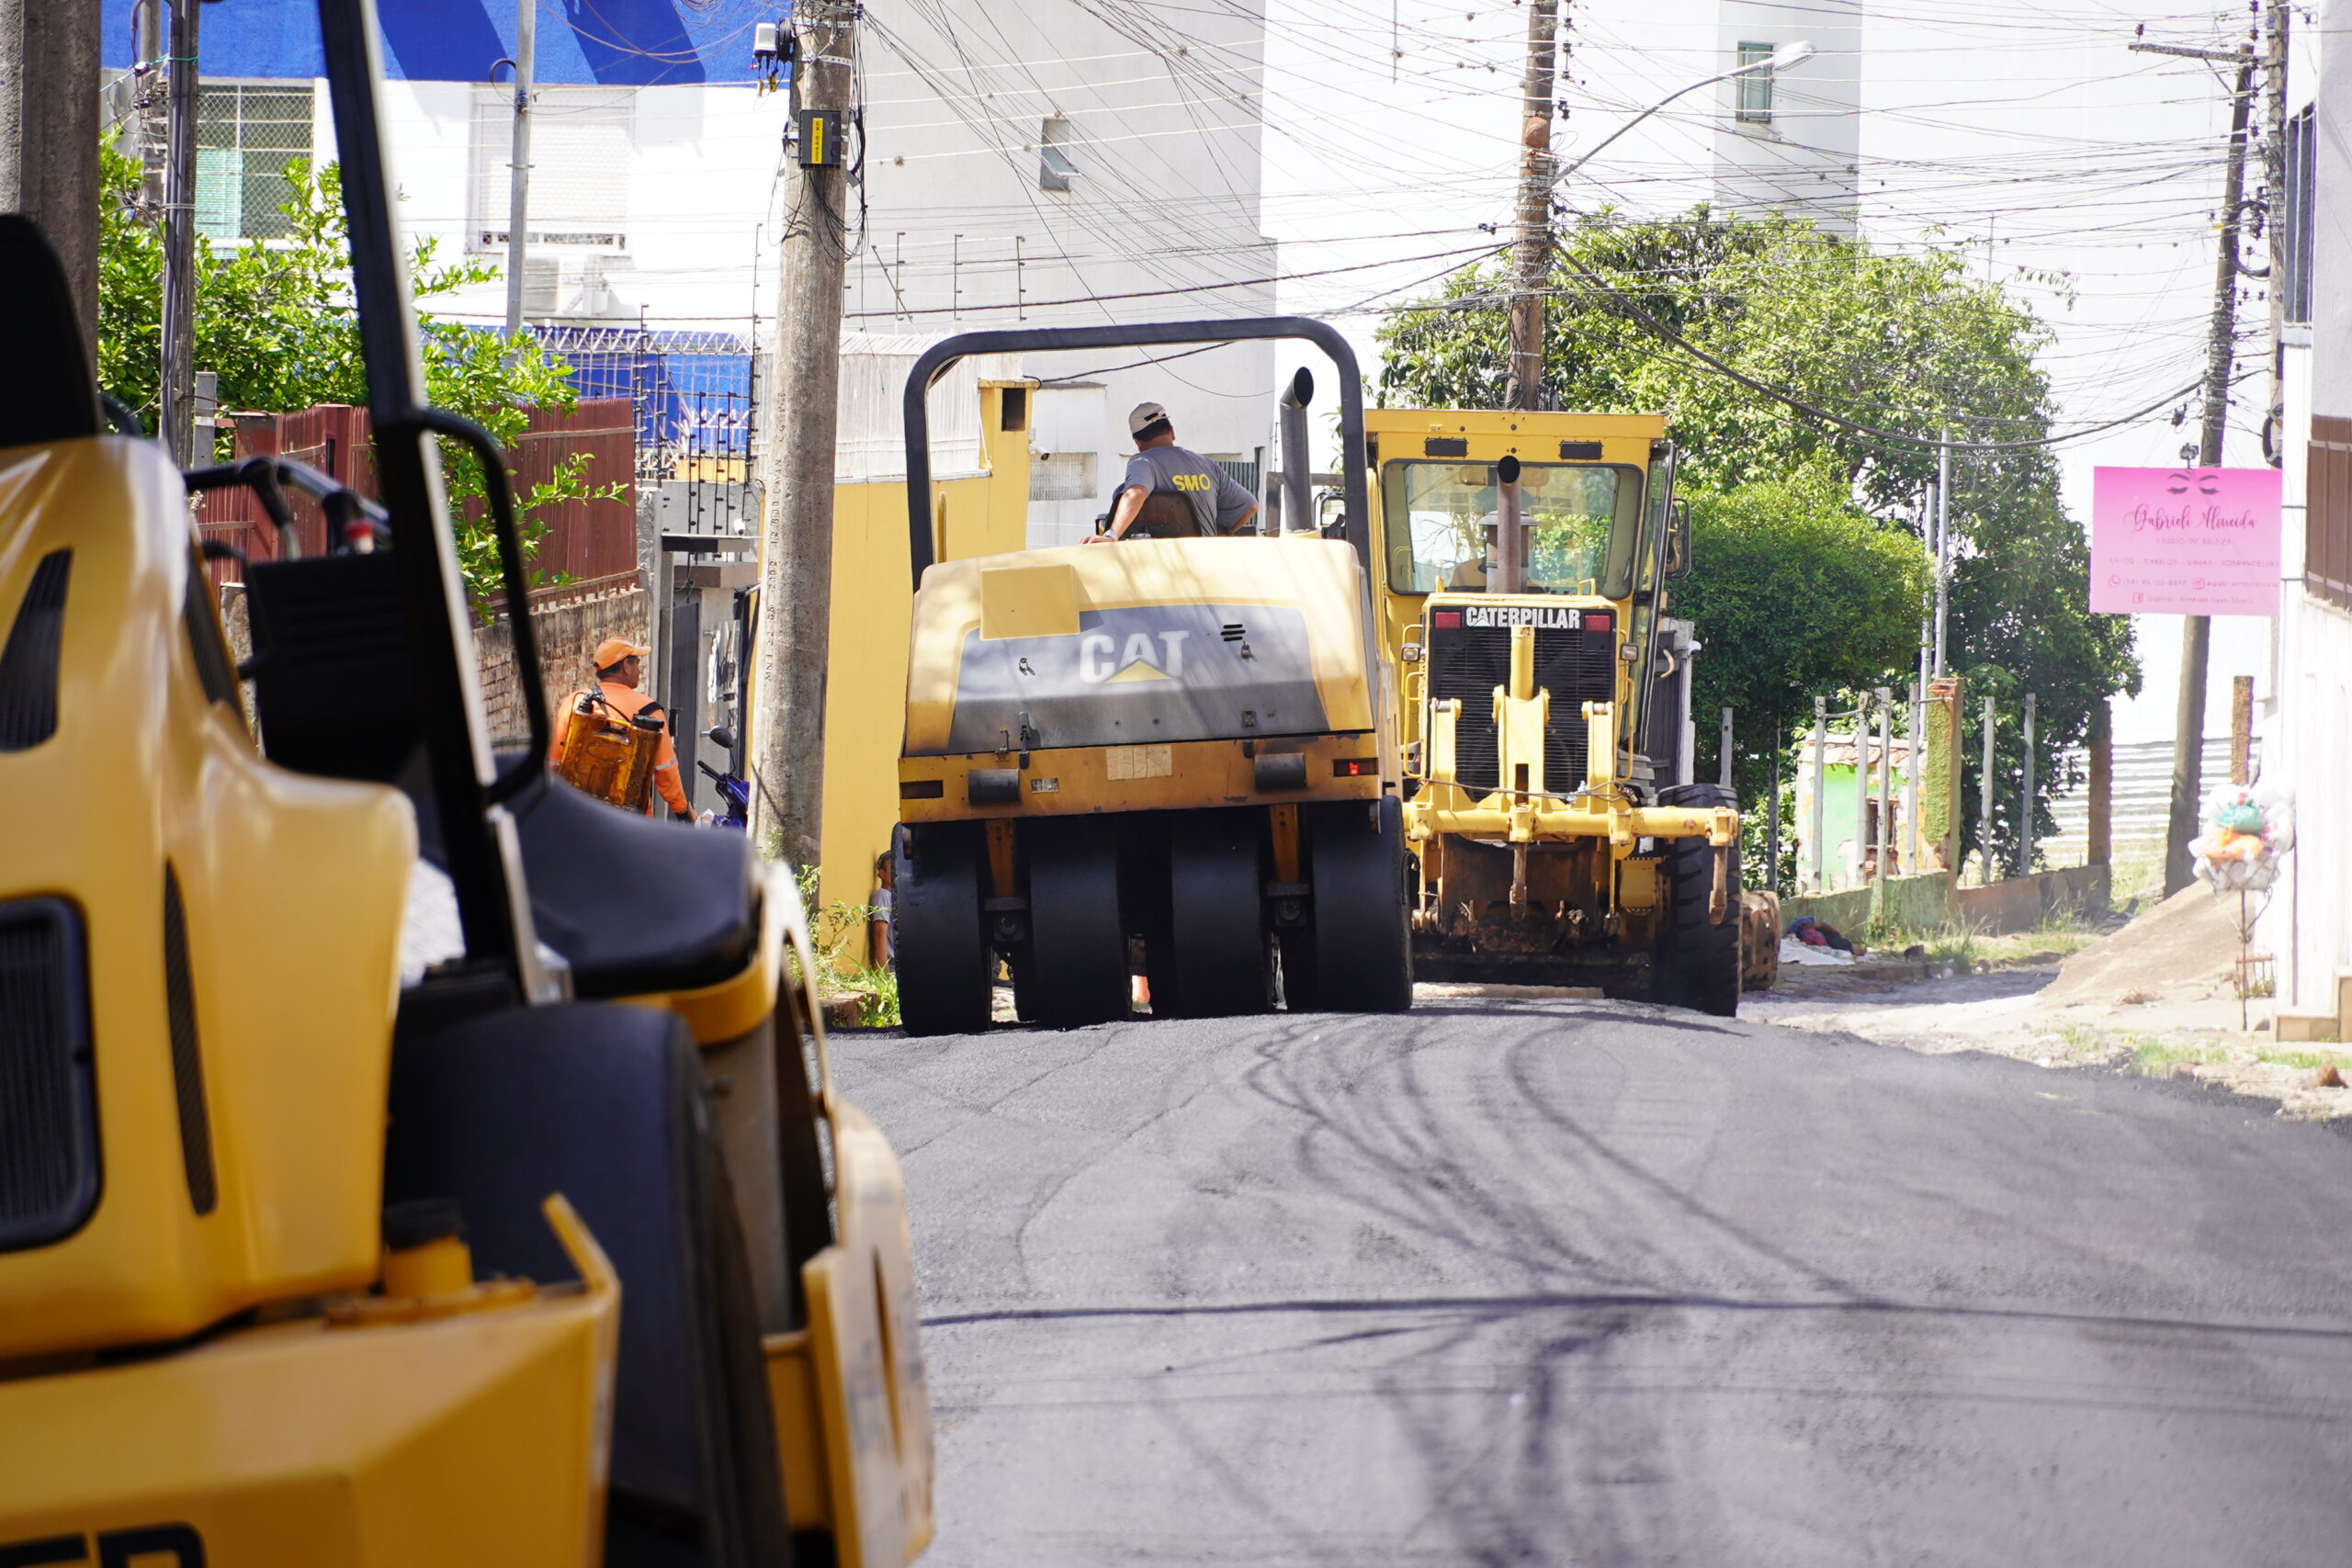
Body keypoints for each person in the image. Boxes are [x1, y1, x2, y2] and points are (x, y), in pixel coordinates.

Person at [549, 637, 695, 821]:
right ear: (626, 666)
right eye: (636, 663)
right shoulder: (650, 710)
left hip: (577, 814)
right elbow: (666, 769)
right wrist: (682, 810)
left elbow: (554, 762)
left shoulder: (574, 702)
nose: (639, 670)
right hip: (630, 823)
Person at [1087, 400, 1259, 542]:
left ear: (1138, 442)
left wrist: (1111, 536)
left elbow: (1135, 493)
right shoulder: (1206, 464)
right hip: (1206, 563)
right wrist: (1217, 534)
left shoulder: (1143, 461)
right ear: (1172, 432)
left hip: (1166, 566)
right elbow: (1250, 506)